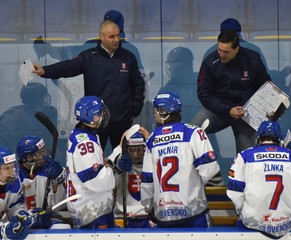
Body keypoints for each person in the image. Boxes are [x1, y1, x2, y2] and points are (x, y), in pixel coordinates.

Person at [33, 19, 145, 152]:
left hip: (122, 122)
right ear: (101, 37)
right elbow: (68, 67)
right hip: (96, 123)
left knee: (122, 162)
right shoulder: (89, 57)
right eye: (111, 36)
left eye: (118, 35)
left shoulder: (128, 57)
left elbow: (138, 85)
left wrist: (134, 111)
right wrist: (45, 71)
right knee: (94, 161)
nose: (116, 39)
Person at [141, 92, 220, 228]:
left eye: (156, 111)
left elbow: (147, 180)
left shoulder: (153, 139)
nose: (154, 114)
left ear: (164, 112)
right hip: (194, 212)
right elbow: (211, 168)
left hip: (164, 214)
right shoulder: (192, 132)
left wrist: (148, 206)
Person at [227, 120, 291, 239]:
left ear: (259, 137)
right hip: (289, 224)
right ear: (278, 138)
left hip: (252, 224)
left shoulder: (244, 156)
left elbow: (235, 192)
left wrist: (245, 210)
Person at [190, 30, 271, 154]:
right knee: (192, 131)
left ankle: (242, 172)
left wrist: (267, 108)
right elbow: (204, 94)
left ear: (236, 49)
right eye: (219, 50)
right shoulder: (210, 62)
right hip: (218, 110)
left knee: (246, 155)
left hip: (245, 113)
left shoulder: (252, 59)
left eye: (226, 52)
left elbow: (265, 87)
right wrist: (228, 110)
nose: (221, 54)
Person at [66, 95, 131, 229]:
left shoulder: (82, 135)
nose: (103, 115)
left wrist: (118, 149)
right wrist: (116, 168)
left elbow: (98, 168)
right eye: (99, 113)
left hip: (92, 208)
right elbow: (97, 181)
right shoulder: (86, 143)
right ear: (90, 116)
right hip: (92, 211)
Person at [16, 135, 70, 229]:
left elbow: (60, 205)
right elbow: (12, 208)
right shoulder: (14, 177)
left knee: (62, 228)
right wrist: (30, 217)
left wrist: (58, 183)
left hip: (46, 218)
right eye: (39, 154)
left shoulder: (51, 169)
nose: (43, 156)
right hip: (22, 220)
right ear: (28, 157)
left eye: (43, 151)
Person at [114, 131, 155, 228]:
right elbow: (111, 186)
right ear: (126, 149)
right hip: (123, 217)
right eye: (131, 150)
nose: (136, 154)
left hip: (148, 218)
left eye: (140, 149)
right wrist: (118, 167)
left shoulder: (152, 165)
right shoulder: (120, 164)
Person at [0, 147, 34, 239]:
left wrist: (20, 213)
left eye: (12, 166)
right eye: (7, 168)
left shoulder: (13, 182)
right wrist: (2, 230)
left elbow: (14, 205)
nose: (12, 172)